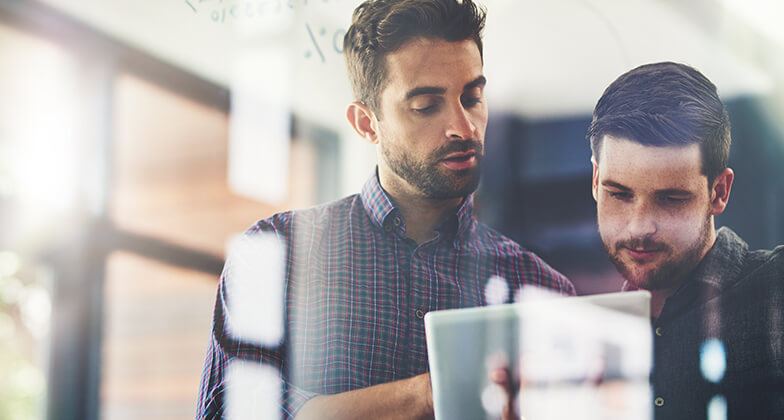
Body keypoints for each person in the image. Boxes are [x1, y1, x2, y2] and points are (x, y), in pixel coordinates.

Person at [196, 0, 574, 419]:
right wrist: (431, 395)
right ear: (365, 123)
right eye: (426, 106)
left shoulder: (541, 290)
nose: (463, 127)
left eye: (472, 97)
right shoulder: (276, 254)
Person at [587, 61, 784, 419]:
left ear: (719, 192)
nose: (639, 227)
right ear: (596, 180)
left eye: (670, 199)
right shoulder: (585, 335)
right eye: (619, 194)